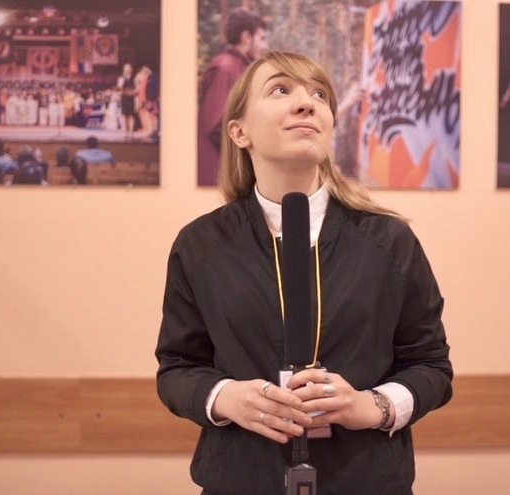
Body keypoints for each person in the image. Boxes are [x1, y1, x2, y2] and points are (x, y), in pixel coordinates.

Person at [156, 51, 453, 495]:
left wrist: (372, 406)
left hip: (367, 481)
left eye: (319, 95)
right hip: (241, 482)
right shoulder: (200, 245)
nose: (306, 104)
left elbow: (431, 366)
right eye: (281, 90)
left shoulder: (389, 241)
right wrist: (226, 398)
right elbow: (177, 368)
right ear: (239, 131)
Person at [197, 7, 269, 186]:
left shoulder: (238, 68)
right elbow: (216, 125)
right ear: (246, 37)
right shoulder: (225, 69)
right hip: (216, 174)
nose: (265, 46)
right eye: (262, 38)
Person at [117, 63, 137, 140]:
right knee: (125, 116)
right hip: (124, 98)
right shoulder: (121, 78)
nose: (127, 70)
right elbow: (119, 87)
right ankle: (126, 132)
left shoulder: (134, 78)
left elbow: (137, 88)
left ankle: (131, 133)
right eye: (126, 68)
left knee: (131, 115)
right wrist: (123, 78)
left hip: (131, 98)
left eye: (128, 68)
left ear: (131, 69)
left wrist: (133, 92)